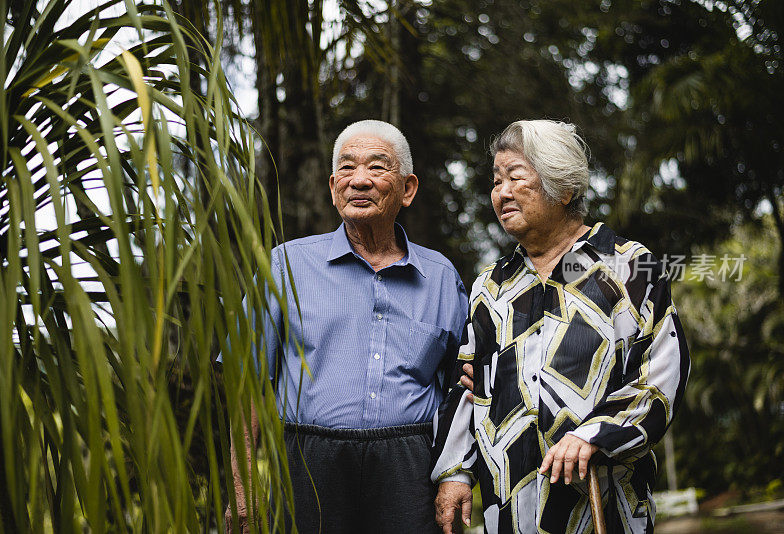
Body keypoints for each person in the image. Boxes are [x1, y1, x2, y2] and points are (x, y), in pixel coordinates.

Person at [431, 119, 690, 533]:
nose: (502, 192)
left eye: (516, 177)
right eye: (496, 181)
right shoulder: (491, 287)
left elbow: (662, 376)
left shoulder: (627, 267)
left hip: (603, 506)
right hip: (509, 510)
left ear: (564, 188)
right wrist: (456, 473)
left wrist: (594, 435)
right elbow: (468, 387)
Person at [228, 120, 468, 533]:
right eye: (347, 168)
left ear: (408, 189)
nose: (360, 180)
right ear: (333, 185)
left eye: (377, 168)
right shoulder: (285, 265)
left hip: (409, 466)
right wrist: (242, 488)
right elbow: (247, 381)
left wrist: (455, 475)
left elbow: (460, 390)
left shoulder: (442, 277)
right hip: (307, 460)